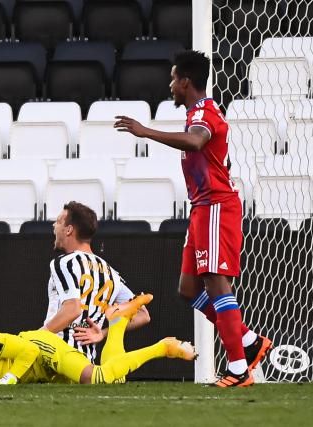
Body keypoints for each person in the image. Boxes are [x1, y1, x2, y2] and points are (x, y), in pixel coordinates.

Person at [114, 50, 272, 387]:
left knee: (216, 281)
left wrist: (147, 131)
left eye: (173, 79)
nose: (170, 85)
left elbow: (198, 141)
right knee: (188, 289)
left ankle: (238, 367)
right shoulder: (194, 114)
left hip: (217, 205)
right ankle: (247, 341)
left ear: (185, 82)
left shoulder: (204, 112)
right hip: (202, 207)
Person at [0, 296, 195, 385]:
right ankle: (118, 322)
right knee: (114, 379)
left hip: (41, 347)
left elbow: (25, 349)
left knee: (95, 378)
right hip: (41, 377)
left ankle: (162, 347)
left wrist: (7, 379)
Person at [42, 201, 152, 380]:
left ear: (69, 230)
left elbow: (72, 309)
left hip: (55, 361)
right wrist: (103, 333)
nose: (54, 225)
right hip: (85, 365)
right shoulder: (111, 272)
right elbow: (143, 315)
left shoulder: (64, 262)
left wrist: (36, 338)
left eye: (58, 221)